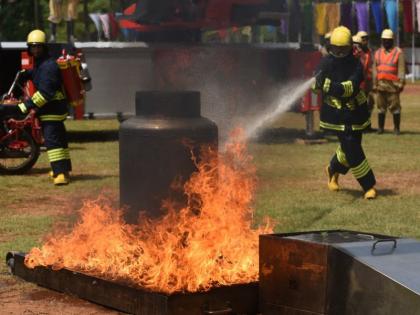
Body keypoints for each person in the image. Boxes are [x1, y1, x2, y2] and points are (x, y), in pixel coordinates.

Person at [313, 26, 376, 199]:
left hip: (356, 112)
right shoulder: (325, 62)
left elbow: (350, 88)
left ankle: (332, 169)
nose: (339, 53)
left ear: (350, 47)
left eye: (343, 49)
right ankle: (368, 185)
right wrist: (316, 84)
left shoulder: (356, 64)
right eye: (336, 48)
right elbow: (314, 86)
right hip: (336, 115)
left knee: (349, 146)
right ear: (330, 47)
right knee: (352, 146)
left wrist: (327, 86)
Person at [15, 30, 71, 185]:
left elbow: (46, 93)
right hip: (53, 109)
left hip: (52, 110)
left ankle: (60, 174)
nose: (36, 50)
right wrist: (27, 73)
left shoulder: (49, 66)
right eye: (33, 47)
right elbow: (38, 73)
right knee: (60, 141)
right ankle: (63, 169)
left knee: (53, 143)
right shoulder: (42, 63)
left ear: (44, 47)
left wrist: (26, 106)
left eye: (38, 47)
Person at [372, 29, 405, 135]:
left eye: (388, 40)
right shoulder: (377, 53)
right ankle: (380, 128)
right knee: (380, 108)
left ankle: (396, 129)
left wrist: (401, 83)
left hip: (393, 86)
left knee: (395, 108)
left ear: (392, 40)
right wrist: (374, 83)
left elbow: (401, 69)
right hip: (381, 85)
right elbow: (374, 69)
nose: (386, 42)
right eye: (384, 40)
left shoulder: (398, 52)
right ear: (382, 40)